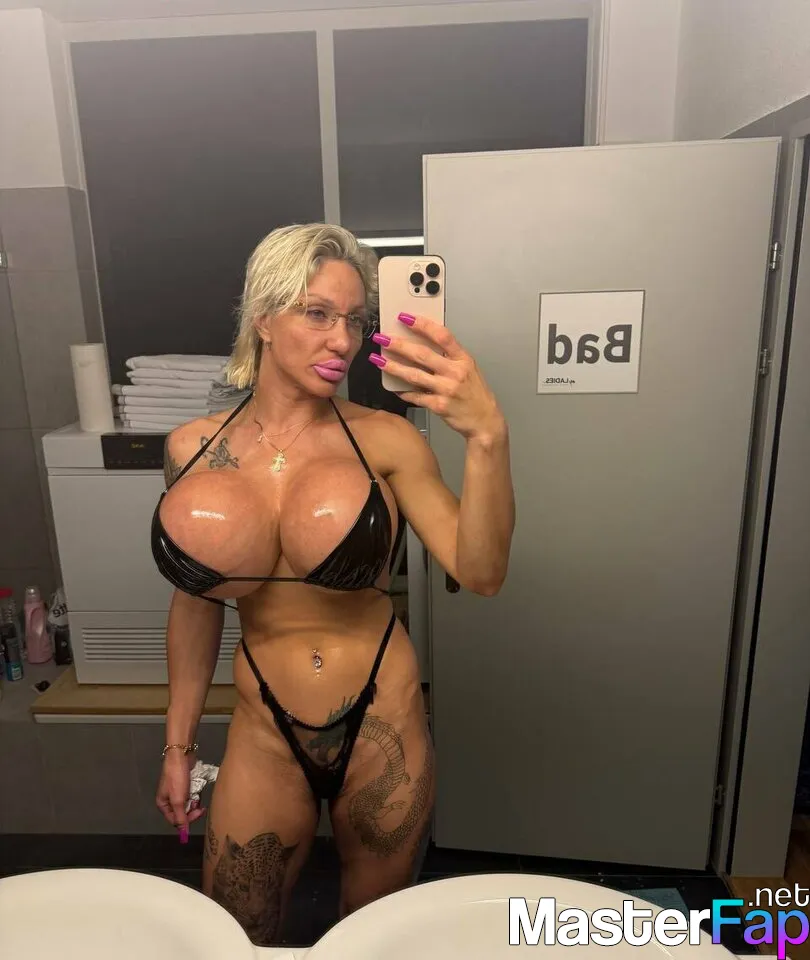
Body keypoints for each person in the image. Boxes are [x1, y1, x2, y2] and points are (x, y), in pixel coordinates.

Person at [152, 223, 515, 946]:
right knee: (237, 932)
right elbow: (196, 601)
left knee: (372, 938)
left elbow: (480, 573)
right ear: (263, 316)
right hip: (264, 728)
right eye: (317, 314)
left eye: (354, 319)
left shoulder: (386, 439)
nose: (343, 341)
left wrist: (488, 439)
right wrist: (178, 745)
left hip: (382, 723)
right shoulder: (193, 448)